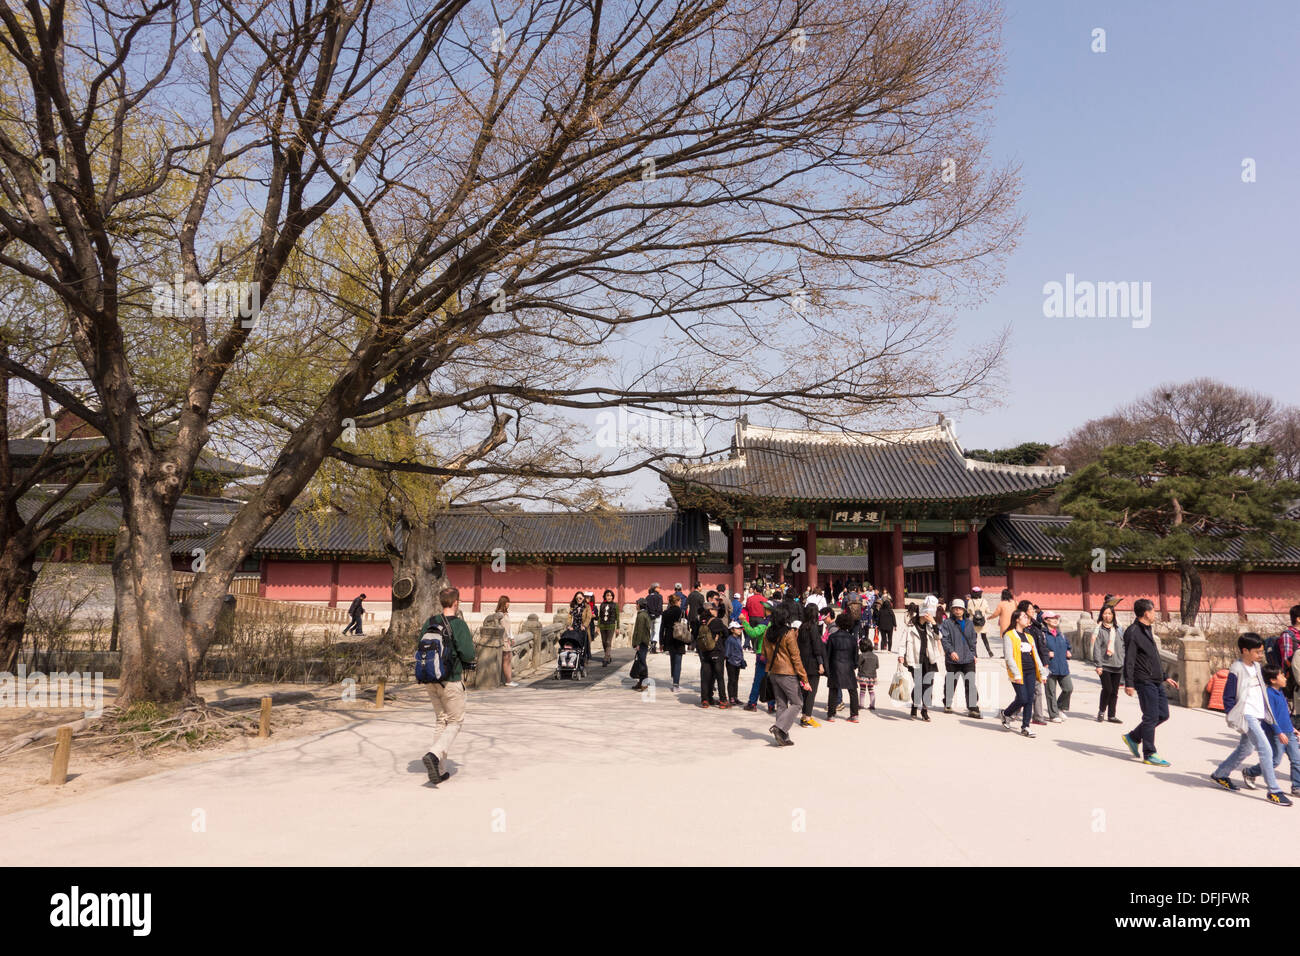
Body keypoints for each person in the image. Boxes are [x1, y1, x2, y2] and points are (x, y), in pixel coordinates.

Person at [1210, 635, 1292, 805]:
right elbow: (1229, 697)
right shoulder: (1236, 669)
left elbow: (1262, 694)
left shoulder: (1257, 667)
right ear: (1245, 651)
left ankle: (1220, 774)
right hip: (1246, 715)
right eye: (1257, 652)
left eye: (1262, 652)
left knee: (1245, 749)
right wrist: (1234, 716)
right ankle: (1274, 791)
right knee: (1266, 750)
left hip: (1259, 714)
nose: (1260, 655)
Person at [420, 587, 477, 786]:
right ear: (456, 602)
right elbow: (469, 654)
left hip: (430, 678)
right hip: (451, 679)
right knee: (455, 722)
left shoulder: (430, 622)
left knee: (441, 720)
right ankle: (434, 754)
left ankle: (440, 770)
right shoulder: (459, 625)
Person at [1120, 598, 1179, 767]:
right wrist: (1128, 683)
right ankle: (1150, 753)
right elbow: (1129, 659)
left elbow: (1153, 657)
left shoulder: (1147, 629)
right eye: (1153, 611)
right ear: (1146, 613)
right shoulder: (1133, 632)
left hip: (1155, 679)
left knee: (1163, 714)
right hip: (1143, 680)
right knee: (1151, 716)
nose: (1155, 614)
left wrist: (1165, 675)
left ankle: (1133, 737)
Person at [1243, 664, 1300, 797]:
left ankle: (1297, 786)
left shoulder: (1280, 692)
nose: (1285, 678)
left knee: (1297, 760)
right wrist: (1279, 732)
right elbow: (1270, 716)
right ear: (1273, 680)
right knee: (1275, 760)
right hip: (1276, 733)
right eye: (1281, 675)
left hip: (1288, 732)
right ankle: (1250, 772)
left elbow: (1284, 714)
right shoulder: (1268, 694)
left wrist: (1292, 728)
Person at [999, 605, 1046, 738]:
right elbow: (1009, 657)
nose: (1027, 619)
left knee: (1029, 699)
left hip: (1031, 671)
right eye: (1024, 617)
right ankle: (1006, 713)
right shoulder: (1009, 635)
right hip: (1018, 672)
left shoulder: (1029, 637)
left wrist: (1042, 673)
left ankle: (1025, 726)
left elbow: (1036, 656)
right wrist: (1017, 674)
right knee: (1022, 698)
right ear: (1017, 620)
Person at [766, 619, 811, 746]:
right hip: (787, 673)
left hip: (773, 671)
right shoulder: (788, 633)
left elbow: (764, 652)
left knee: (781, 705)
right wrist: (804, 679)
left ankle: (783, 737)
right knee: (797, 703)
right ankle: (779, 728)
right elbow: (796, 657)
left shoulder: (768, 632)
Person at [901, 598, 942, 721]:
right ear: (922, 613)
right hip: (916, 660)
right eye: (928, 613)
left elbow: (938, 637)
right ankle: (914, 706)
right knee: (919, 685)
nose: (929, 615)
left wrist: (934, 623)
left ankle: (924, 710)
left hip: (929, 660)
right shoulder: (910, 626)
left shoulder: (930, 626)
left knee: (928, 685)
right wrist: (900, 655)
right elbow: (902, 642)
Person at [939, 597, 980, 717]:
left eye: (960, 608)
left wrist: (974, 654)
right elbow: (945, 639)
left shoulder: (969, 623)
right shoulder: (947, 623)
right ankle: (947, 702)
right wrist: (951, 652)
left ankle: (972, 707)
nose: (957, 610)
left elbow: (973, 640)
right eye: (955, 608)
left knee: (970, 683)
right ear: (952, 610)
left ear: (964, 610)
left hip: (968, 658)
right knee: (951, 682)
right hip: (953, 659)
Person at [1090, 604, 1125, 723]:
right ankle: (1101, 711)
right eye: (1105, 613)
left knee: (1115, 691)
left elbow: (1123, 645)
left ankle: (1111, 715)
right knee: (1107, 689)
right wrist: (1098, 665)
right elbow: (1097, 648)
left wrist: (1124, 659)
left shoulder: (1119, 629)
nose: (1107, 616)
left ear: (1113, 615)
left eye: (1110, 613)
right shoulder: (1099, 630)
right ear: (1101, 615)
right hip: (1104, 664)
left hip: (1118, 663)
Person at [824, 612, 859, 722]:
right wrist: (854, 665)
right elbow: (856, 655)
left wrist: (827, 667)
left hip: (835, 665)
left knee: (833, 690)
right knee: (853, 691)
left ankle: (831, 714)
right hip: (848, 666)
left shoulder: (832, 637)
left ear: (838, 623)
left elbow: (828, 654)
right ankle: (854, 715)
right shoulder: (853, 639)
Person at [797, 604, 827, 727]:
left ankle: (804, 715)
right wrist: (821, 663)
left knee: (805, 691)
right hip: (812, 662)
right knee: (811, 692)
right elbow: (816, 647)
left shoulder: (801, 627)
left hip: (803, 662)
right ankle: (807, 717)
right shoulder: (813, 628)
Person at [1042, 611, 1072, 722]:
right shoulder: (1043, 634)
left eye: (1056, 618)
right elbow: (1038, 648)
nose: (1055, 620)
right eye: (1052, 618)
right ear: (1046, 620)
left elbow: (1068, 646)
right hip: (1049, 667)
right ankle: (1053, 715)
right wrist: (1047, 653)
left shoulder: (1061, 634)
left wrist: (1068, 652)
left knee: (1068, 688)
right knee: (1051, 692)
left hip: (1063, 666)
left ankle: (1060, 707)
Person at [695, 606, 728, 708]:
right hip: (717, 651)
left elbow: (695, 635)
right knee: (719, 677)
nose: (717, 611)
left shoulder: (700, 621)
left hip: (704, 653)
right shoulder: (717, 621)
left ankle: (705, 699)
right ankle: (723, 700)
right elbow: (726, 633)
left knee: (706, 677)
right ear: (710, 610)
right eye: (714, 609)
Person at [661, 592, 686, 692]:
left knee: (672, 659)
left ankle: (674, 679)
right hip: (679, 638)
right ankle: (676, 684)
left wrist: (661, 641)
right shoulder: (681, 612)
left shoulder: (665, 612)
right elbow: (685, 625)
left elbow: (662, 628)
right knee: (678, 661)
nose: (681, 602)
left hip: (669, 638)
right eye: (680, 601)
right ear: (676, 601)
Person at [495, 595, 519, 687]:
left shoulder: (506, 614)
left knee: (508, 659)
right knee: (506, 660)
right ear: (504, 603)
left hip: (507, 640)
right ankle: (508, 680)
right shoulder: (499, 615)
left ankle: (509, 679)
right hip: (503, 640)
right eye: (507, 602)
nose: (509, 604)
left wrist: (511, 637)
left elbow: (509, 628)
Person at [630, 598, 651, 691]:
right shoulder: (644, 614)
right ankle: (641, 682)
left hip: (642, 642)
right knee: (641, 662)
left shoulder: (641, 616)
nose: (636, 605)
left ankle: (644, 682)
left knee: (642, 663)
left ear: (639, 605)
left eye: (636, 604)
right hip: (643, 641)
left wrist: (637, 643)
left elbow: (640, 631)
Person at [724, 620, 747, 706]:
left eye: (740, 629)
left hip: (737, 662)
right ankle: (731, 697)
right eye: (738, 629)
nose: (740, 630)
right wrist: (728, 659)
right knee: (731, 680)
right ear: (732, 630)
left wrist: (742, 660)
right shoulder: (730, 640)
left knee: (736, 680)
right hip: (731, 662)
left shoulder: (738, 639)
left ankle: (735, 696)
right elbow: (727, 652)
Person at [595, 588, 619, 667]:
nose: (609, 597)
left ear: (613, 597)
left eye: (611, 596)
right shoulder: (602, 605)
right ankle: (608, 656)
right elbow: (599, 616)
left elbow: (617, 617)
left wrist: (618, 627)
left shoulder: (615, 605)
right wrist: (598, 626)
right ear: (605, 596)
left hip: (611, 626)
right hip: (602, 625)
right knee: (604, 642)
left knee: (608, 642)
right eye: (607, 595)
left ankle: (605, 658)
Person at [966, 586, 992, 657]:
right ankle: (989, 651)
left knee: (974, 638)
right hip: (982, 622)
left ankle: (975, 654)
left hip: (973, 621)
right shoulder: (984, 601)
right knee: (984, 637)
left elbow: (968, 611)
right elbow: (987, 611)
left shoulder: (970, 601)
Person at [857, 637, 879, 711]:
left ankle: (861, 705)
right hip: (872, 676)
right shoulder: (875, 656)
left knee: (862, 690)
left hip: (863, 675)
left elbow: (858, 664)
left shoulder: (862, 655)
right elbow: (877, 666)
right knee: (871, 690)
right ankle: (872, 705)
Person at [645, 583, 664, 653]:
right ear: (655, 588)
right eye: (659, 587)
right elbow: (659, 607)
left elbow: (647, 607)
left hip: (650, 616)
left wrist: (651, 614)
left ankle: (651, 645)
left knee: (652, 631)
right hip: (657, 616)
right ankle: (654, 645)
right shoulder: (659, 596)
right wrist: (657, 614)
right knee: (657, 631)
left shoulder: (648, 597)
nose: (660, 589)